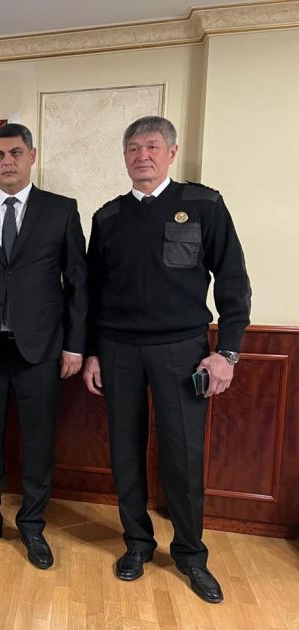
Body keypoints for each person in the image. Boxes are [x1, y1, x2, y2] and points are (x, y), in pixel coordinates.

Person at [82, 116, 251, 603]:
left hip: (182, 350)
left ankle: (191, 554)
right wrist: (92, 352)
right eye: (133, 148)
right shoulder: (107, 217)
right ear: (124, 157)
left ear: (171, 153)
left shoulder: (203, 204)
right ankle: (136, 543)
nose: (143, 156)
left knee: (183, 456)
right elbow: (92, 293)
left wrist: (227, 353)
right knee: (124, 451)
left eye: (152, 147)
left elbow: (234, 282)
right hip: (118, 350)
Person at [0, 123, 89, 569]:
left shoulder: (61, 210)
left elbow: (78, 284)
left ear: (32, 156)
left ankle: (32, 525)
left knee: (38, 441)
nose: (7, 161)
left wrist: (75, 346)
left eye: (15, 153)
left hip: (41, 348)